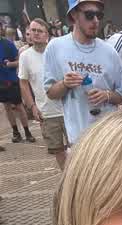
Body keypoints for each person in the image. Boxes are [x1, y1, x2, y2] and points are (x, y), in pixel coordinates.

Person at [43, 0, 122, 145]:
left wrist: (106, 95)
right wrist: (65, 84)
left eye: (99, 15)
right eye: (89, 15)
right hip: (79, 140)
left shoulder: (110, 52)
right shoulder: (56, 47)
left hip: (109, 139)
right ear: (74, 14)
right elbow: (51, 93)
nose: (95, 20)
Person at [19, 19, 67, 170]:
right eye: (33, 30)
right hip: (46, 112)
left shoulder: (57, 52)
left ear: (47, 34)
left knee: (78, 147)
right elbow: (23, 83)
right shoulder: (25, 56)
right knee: (58, 150)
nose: (35, 33)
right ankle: (67, 177)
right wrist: (32, 106)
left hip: (68, 109)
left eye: (39, 31)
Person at [0, 21, 35, 143]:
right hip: (0, 83)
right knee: (7, 107)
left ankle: (27, 132)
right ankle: (15, 132)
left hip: (11, 81)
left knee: (19, 106)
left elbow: (18, 62)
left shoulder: (8, 44)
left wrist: (10, 64)